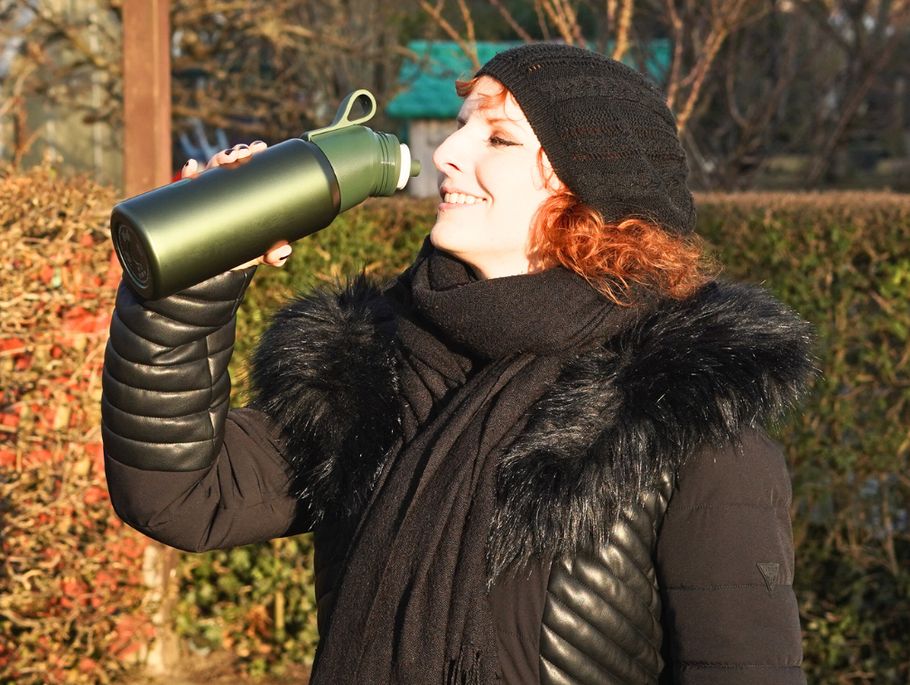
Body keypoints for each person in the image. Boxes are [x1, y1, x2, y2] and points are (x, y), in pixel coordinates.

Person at [102, 43, 814, 684]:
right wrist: (193, 285)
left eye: (497, 137)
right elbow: (183, 493)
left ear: (592, 199)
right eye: (462, 125)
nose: (447, 151)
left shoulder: (684, 423)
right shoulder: (371, 374)